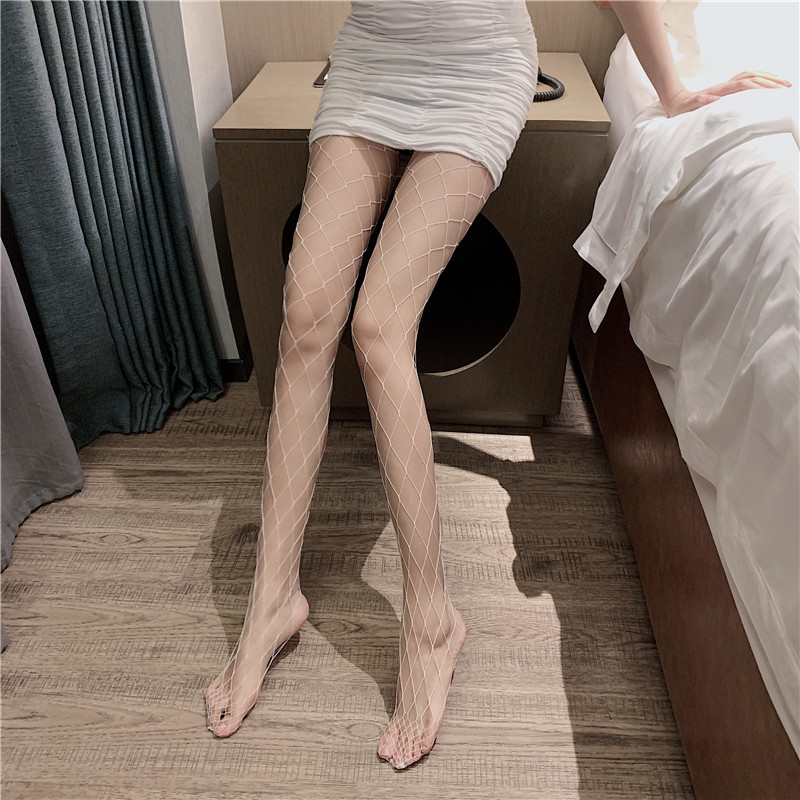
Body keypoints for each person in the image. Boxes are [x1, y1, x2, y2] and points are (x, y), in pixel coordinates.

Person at [204, 0, 791, 771]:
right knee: (306, 317)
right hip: (372, 57)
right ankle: (273, 597)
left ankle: (432, 622)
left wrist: (674, 90)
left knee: (378, 326)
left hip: (477, 68)